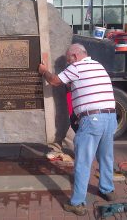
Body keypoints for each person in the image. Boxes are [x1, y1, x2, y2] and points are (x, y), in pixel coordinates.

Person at [38, 43, 117, 216]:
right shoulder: (97, 65)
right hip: (110, 117)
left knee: (82, 162)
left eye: (68, 60)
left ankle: (77, 202)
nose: (68, 63)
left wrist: (44, 70)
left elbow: (54, 81)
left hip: (92, 119)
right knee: (106, 156)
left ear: (74, 56)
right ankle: (107, 189)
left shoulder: (77, 67)